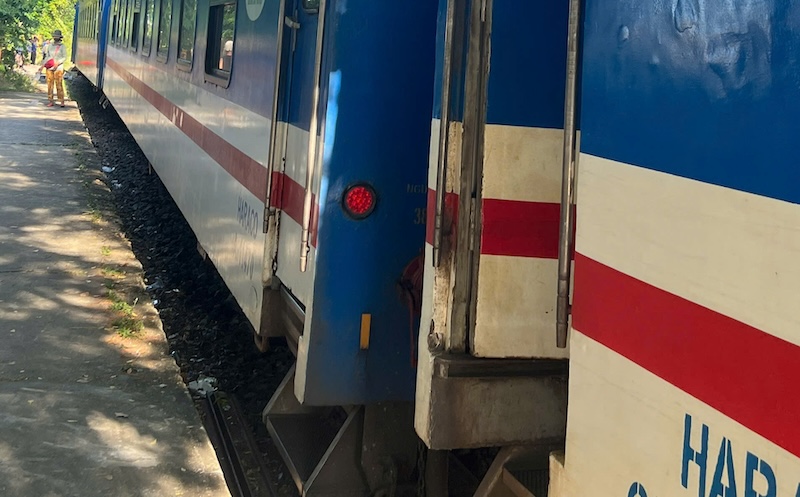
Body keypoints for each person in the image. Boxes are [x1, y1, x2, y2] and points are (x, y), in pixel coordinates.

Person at [40, 31, 67, 108]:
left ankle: (61, 100)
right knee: (49, 84)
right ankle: (50, 100)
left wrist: (58, 63)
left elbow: (64, 57)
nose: (55, 38)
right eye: (54, 36)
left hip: (59, 67)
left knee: (59, 84)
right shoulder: (49, 46)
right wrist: (42, 65)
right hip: (50, 67)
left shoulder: (62, 46)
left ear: (60, 38)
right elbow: (47, 56)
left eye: (57, 36)